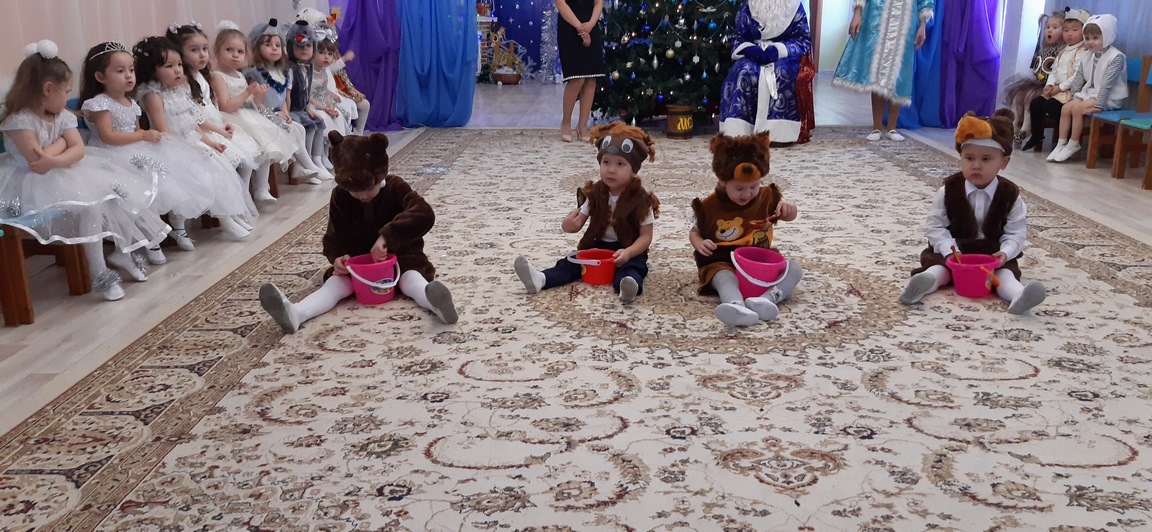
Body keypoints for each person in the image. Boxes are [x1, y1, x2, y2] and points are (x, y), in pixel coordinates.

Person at [0, 40, 170, 300]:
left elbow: (77, 150)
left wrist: (57, 152)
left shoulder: (62, 115)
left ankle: (122, 252)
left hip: (62, 169)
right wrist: (62, 145)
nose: (68, 98)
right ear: (48, 89)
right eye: (66, 92)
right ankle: (100, 273)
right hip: (27, 183)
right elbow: (36, 161)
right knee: (91, 205)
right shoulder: (19, 120)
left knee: (117, 193)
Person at [258, 131, 459, 333]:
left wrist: (388, 236)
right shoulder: (340, 195)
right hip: (360, 266)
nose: (363, 196)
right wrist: (339, 257)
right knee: (335, 284)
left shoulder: (395, 186)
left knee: (412, 278)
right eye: (355, 192)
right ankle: (297, 313)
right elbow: (334, 235)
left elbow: (424, 213)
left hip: (401, 258)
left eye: (369, 189)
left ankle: (435, 304)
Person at [80, 41, 219, 263]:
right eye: (120, 71)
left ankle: (173, 229)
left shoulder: (130, 102)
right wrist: (143, 135)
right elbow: (108, 136)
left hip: (135, 150)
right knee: (142, 191)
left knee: (164, 179)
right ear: (100, 77)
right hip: (110, 156)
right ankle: (151, 239)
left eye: (131, 70)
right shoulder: (99, 104)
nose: (128, 76)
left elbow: (135, 130)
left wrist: (144, 137)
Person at [899, 109, 1046, 315]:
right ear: (961, 157)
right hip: (954, 250)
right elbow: (935, 226)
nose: (976, 165)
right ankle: (923, 283)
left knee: (1004, 275)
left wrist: (1006, 253)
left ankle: (1018, 295)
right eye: (969, 158)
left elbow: (1016, 232)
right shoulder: (948, 190)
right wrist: (948, 250)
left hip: (992, 254)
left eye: (986, 159)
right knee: (940, 268)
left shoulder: (1010, 195)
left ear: (1003, 162)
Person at [514, 121, 657, 304]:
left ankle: (627, 287)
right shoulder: (595, 193)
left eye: (620, 164)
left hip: (628, 249)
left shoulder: (641, 199)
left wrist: (629, 252)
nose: (611, 169)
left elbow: (646, 237)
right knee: (571, 262)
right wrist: (567, 225)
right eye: (606, 162)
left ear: (634, 170)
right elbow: (577, 223)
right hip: (598, 248)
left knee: (634, 267)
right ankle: (540, 279)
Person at [133, 36, 255, 241]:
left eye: (179, 64)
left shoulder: (180, 90)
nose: (177, 70)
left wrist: (210, 142)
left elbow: (192, 124)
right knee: (203, 173)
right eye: (169, 66)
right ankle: (188, 224)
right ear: (152, 70)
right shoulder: (153, 96)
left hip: (191, 141)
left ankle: (230, 216)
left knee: (220, 169)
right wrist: (192, 148)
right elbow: (164, 130)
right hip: (171, 146)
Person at [690, 132, 803, 327]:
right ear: (722, 181)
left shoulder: (767, 196)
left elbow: (788, 216)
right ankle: (736, 305)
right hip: (722, 261)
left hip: (758, 263)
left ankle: (767, 300)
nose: (747, 194)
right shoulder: (709, 206)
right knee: (724, 277)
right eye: (739, 189)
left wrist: (789, 209)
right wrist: (699, 243)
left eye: (753, 186)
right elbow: (694, 231)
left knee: (794, 269)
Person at [168, 21, 262, 217]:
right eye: (194, 50)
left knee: (248, 157)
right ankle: (229, 209)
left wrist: (223, 123)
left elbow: (213, 105)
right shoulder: (183, 82)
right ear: (180, 53)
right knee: (231, 160)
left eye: (204, 49)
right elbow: (194, 117)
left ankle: (242, 195)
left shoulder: (203, 76)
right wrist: (217, 129)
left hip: (216, 125)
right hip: (202, 132)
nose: (202, 54)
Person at [210, 20, 298, 205]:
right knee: (253, 149)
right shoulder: (217, 76)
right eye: (229, 50)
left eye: (240, 51)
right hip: (231, 119)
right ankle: (242, 192)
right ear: (217, 52)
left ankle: (261, 188)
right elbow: (225, 105)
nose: (235, 55)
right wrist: (246, 93)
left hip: (247, 115)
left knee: (266, 146)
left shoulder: (240, 75)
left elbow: (251, 103)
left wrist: (257, 95)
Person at [832, 0, 934, 141]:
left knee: (899, 73)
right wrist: (857, 13)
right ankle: (877, 127)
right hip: (878, 17)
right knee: (878, 71)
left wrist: (922, 24)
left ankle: (892, 128)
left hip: (905, 21)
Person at [248, 18, 332, 182]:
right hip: (268, 114)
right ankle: (305, 165)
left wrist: (292, 110)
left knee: (312, 125)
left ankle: (312, 161)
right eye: (268, 45)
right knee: (300, 126)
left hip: (287, 111)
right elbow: (256, 100)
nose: (274, 48)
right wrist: (283, 112)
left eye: (277, 45)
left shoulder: (286, 71)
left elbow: (291, 96)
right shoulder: (258, 72)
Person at [719, 0, 812, 144]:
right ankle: (738, 130)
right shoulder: (749, 5)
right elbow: (738, 36)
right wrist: (750, 49)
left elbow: (803, 39)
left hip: (784, 55)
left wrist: (777, 50)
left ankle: (777, 134)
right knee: (744, 72)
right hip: (754, 52)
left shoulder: (795, 6)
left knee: (782, 73)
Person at [1047, 14, 1127, 163]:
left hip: (1108, 98)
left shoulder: (1116, 57)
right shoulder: (1087, 55)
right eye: (1087, 38)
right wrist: (1073, 98)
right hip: (1089, 94)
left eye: (1095, 38)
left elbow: (1106, 85)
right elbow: (1079, 79)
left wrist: (1099, 105)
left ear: (1108, 36)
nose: (1090, 42)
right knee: (1066, 108)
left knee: (1077, 109)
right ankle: (1061, 143)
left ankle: (1074, 143)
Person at [1022, 8, 1089, 153]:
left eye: (1074, 30)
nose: (1069, 34)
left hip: (1070, 92)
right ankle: (1037, 135)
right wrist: (1049, 85)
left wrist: (1060, 87)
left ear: (1083, 32)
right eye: (1066, 30)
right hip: (1057, 89)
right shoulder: (1063, 51)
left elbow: (1077, 76)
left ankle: (1064, 138)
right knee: (1036, 103)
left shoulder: (1082, 51)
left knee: (1052, 107)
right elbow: (1053, 70)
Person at [1003, 11, 1065, 144]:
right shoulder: (1044, 48)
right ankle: (1014, 126)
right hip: (1039, 83)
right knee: (1019, 94)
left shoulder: (1063, 51)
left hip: (1052, 87)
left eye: (1055, 27)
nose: (1049, 30)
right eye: (1048, 27)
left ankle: (1026, 128)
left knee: (1031, 97)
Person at [284, 20, 331, 175]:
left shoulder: (309, 67)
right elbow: (287, 95)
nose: (304, 49)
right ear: (291, 47)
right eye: (299, 46)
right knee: (305, 126)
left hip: (302, 108)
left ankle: (316, 158)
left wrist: (308, 108)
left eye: (309, 46)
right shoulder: (290, 68)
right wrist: (287, 113)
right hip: (291, 110)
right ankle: (303, 164)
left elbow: (306, 92)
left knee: (319, 123)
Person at [555, 0, 604, 143]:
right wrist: (581, 29)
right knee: (577, 79)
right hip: (569, 27)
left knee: (591, 78)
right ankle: (566, 123)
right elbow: (561, 4)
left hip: (591, 26)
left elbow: (598, 4)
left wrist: (590, 24)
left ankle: (582, 126)